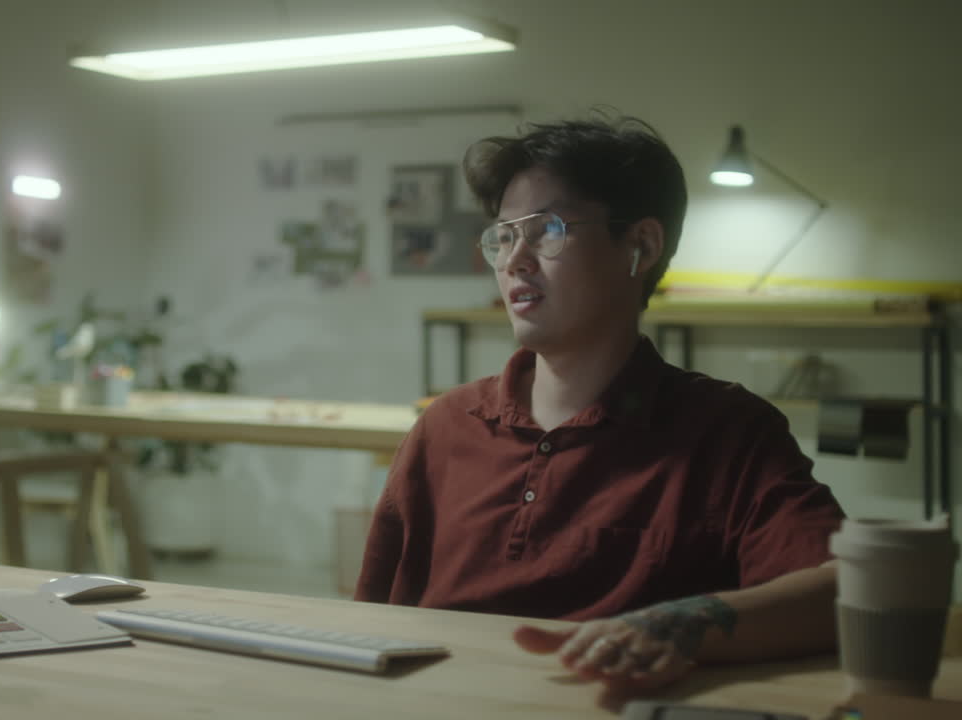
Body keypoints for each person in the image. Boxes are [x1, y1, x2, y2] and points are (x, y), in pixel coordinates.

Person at [355, 113, 845, 695]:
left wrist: (682, 623)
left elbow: (844, 588)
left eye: (546, 230)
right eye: (504, 235)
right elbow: (372, 626)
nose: (515, 260)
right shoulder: (446, 428)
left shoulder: (727, 433)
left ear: (640, 245)